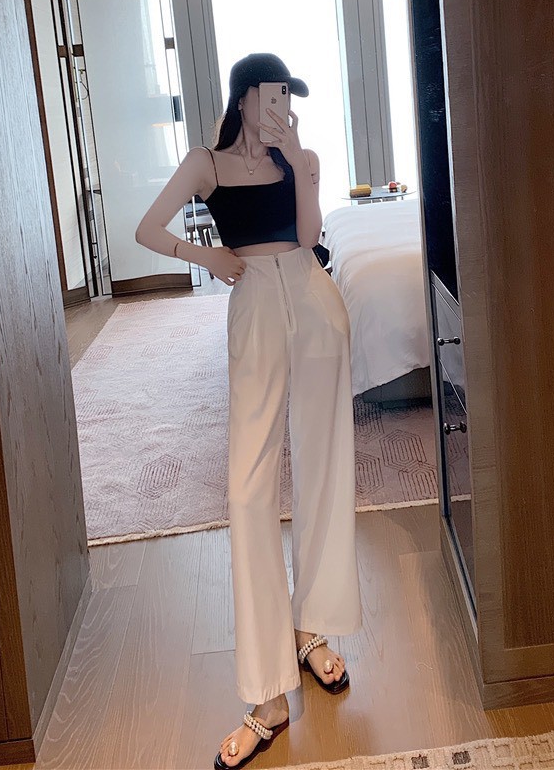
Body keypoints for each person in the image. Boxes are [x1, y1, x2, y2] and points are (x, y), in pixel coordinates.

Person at [135, 53, 362, 770]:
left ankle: (310, 630)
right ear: (244, 99)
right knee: (247, 488)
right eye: (270, 97)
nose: (280, 110)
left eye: (288, 99)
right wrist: (205, 257)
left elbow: (310, 237)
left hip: (314, 296)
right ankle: (267, 696)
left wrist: (300, 166)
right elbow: (147, 228)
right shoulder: (206, 164)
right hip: (255, 303)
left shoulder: (303, 158)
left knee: (325, 467)